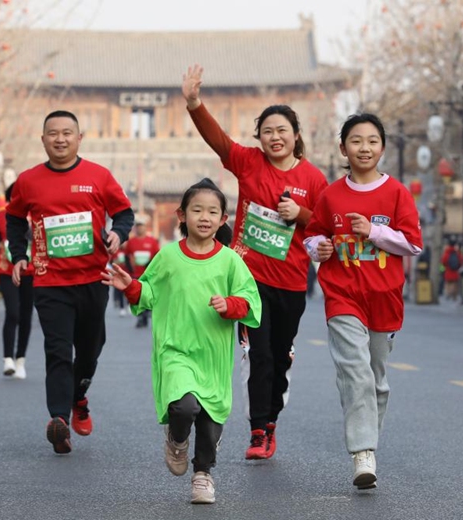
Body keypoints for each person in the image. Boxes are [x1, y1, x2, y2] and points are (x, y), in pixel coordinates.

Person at [182, 64, 328, 459]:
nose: (274, 137)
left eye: (281, 130)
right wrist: (195, 104)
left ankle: (272, 420)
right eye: (267, 131)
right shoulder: (248, 162)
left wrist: (300, 214)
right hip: (249, 279)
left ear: (295, 136)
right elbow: (218, 140)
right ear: (258, 138)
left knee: (279, 358)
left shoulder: (314, 179)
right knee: (258, 355)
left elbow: (326, 225)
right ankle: (258, 431)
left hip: (292, 282)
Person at [101, 178, 261, 504]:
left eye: (212, 211)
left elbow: (250, 302)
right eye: (197, 210)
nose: (204, 216)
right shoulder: (169, 257)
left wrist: (229, 305)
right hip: (175, 349)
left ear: (223, 219)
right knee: (184, 405)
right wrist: (131, 286)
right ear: (182, 215)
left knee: (209, 419)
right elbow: (149, 294)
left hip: (213, 356)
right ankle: (176, 438)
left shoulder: (231, 261)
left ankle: (203, 475)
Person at [304, 113, 422, 490]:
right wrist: (318, 248)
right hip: (342, 295)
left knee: (376, 379)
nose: (364, 147)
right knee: (355, 370)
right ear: (343, 148)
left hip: (385, 298)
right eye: (356, 141)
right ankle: (363, 452)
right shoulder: (331, 195)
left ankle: (367, 439)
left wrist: (374, 231)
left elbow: (413, 243)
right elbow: (312, 235)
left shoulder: (398, 193)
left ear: (382, 148)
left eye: (372, 140)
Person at [6, 109, 134, 454]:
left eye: (67, 133)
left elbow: (124, 212)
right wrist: (18, 255)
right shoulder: (29, 181)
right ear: (43, 139)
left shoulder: (98, 176)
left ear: (79, 138)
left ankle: (79, 397)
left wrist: (117, 234)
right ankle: (58, 419)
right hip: (50, 281)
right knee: (58, 350)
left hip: (94, 277)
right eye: (52, 133)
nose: (59, 139)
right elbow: (14, 218)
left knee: (91, 350)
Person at [0, 184, 35, 379]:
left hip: (31, 271)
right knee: (13, 312)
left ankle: (20, 360)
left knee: (26, 315)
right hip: (6, 270)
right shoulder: (1, 215)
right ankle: (7, 358)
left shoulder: (37, 214)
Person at [124, 216, 160, 328]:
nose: (140, 229)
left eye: (142, 226)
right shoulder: (131, 242)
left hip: (148, 275)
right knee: (138, 296)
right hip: (136, 274)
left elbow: (157, 257)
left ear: (145, 228)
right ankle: (141, 317)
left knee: (147, 295)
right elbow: (126, 256)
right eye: (138, 226)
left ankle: (146, 313)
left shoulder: (152, 241)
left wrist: (150, 267)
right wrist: (129, 269)